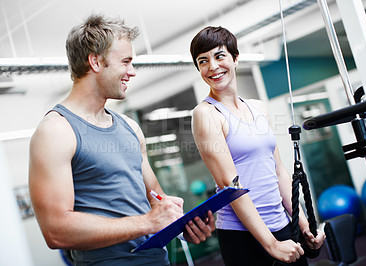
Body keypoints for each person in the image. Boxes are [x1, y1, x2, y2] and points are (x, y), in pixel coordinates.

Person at [29, 14, 215, 266]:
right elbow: (55, 231)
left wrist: (181, 224)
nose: (132, 71)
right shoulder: (56, 131)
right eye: (125, 62)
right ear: (95, 61)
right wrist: (148, 222)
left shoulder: (129, 127)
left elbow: (156, 200)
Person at [190, 26, 325, 265]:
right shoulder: (206, 114)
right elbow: (229, 186)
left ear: (235, 58)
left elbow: (279, 172)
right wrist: (271, 244)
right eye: (203, 61)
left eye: (219, 56)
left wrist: (303, 224)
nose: (212, 66)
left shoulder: (259, 107)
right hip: (243, 234)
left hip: (282, 224)